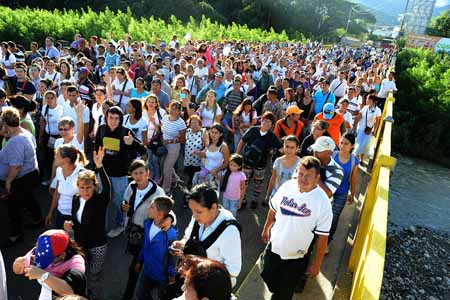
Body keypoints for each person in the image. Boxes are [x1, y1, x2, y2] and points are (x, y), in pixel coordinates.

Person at [260, 156, 332, 300]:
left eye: (308, 176)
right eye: (300, 174)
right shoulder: (287, 186)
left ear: (317, 178)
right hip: (275, 247)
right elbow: (273, 209)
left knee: (284, 294)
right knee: (267, 275)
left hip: (296, 257)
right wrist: (266, 228)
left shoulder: (323, 203)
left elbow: (323, 237)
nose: (303, 179)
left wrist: (317, 264)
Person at [120, 160, 174, 300]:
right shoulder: (131, 187)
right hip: (134, 232)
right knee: (135, 265)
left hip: (149, 234)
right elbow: (125, 203)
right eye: (135, 173)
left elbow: (169, 211)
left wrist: (170, 219)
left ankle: (133, 295)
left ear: (148, 173)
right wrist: (123, 207)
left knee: (140, 268)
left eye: (141, 173)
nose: (138, 176)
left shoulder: (157, 191)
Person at [172, 183, 242, 287]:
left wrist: (198, 262)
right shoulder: (198, 216)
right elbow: (188, 235)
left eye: (198, 212)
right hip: (192, 279)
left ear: (213, 207)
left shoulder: (229, 231)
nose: (194, 216)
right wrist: (182, 243)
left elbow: (233, 271)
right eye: (192, 211)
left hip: (211, 287)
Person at [63, 146, 110, 300]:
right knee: (81, 272)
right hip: (81, 244)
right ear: (78, 187)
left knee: (95, 275)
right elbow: (74, 218)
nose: (85, 191)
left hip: (97, 245)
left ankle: (94, 296)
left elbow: (108, 188)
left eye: (89, 187)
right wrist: (70, 226)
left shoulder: (99, 201)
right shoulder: (76, 199)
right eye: (82, 187)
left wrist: (99, 167)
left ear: (94, 187)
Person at [95, 106, 147, 238]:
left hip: (120, 175)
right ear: (106, 118)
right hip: (103, 173)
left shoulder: (126, 132)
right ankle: (101, 227)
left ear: (121, 119)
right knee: (102, 201)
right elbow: (97, 148)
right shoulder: (101, 129)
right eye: (110, 118)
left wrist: (132, 143)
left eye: (116, 118)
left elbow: (143, 150)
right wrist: (96, 169)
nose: (113, 121)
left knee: (120, 203)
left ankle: (120, 224)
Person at [0, 107, 42, 246]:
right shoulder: (24, 132)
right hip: (31, 174)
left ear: (5, 124)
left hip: (22, 178)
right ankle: (38, 220)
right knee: (28, 198)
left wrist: (8, 182)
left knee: (13, 206)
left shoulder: (15, 141)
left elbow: (16, 166)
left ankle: (15, 235)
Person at [13, 230, 87, 299]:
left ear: (62, 255)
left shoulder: (76, 262)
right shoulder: (41, 251)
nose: (39, 260)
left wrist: (42, 275)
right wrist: (19, 262)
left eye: (47, 259)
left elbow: (69, 292)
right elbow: (17, 270)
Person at [236, 112, 283, 209]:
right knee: (243, 182)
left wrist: (291, 152)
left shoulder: (272, 136)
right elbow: (242, 141)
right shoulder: (253, 130)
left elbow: (281, 149)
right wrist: (237, 154)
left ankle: (255, 200)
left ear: (272, 124)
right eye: (264, 120)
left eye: (269, 122)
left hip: (261, 164)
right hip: (247, 161)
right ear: (261, 120)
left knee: (258, 183)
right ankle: (242, 200)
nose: (266, 123)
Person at [134, 196, 177, 300]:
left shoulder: (170, 234)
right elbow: (145, 245)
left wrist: (171, 276)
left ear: (160, 213)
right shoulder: (147, 224)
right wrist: (139, 260)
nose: (148, 208)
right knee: (140, 295)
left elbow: (172, 257)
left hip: (162, 276)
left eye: (152, 207)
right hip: (147, 271)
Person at [46, 145, 88, 229]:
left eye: (57, 155)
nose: (55, 157)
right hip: (60, 214)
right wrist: (50, 213)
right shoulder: (59, 170)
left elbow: (87, 199)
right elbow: (57, 193)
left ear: (66, 160)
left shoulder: (82, 174)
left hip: (75, 216)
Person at [329, 133, 359, 242]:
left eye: (346, 144)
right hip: (328, 190)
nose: (342, 145)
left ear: (352, 146)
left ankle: (328, 241)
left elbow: (353, 179)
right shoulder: (332, 155)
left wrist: (352, 194)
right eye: (341, 142)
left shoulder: (354, 161)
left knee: (334, 216)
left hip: (342, 192)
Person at [265, 135, 301, 205]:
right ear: (283, 147)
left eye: (292, 147)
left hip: (292, 198)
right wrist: (268, 194)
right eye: (287, 146)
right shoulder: (278, 161)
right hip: (277, 194)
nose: (289, 150)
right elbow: (273, 179)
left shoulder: (301, 163)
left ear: (297, 148)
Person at [160, 101, 186, 195]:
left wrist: (171, 141)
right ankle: (176, 180)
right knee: (167, 165)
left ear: (179, 111)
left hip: (174, 147)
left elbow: (183, 139)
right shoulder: (165, 118)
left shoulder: (181, 123)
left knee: (166, 168)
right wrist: (163, 140)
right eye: (171, 108)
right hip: (163, 145)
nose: (172, 110)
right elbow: (162, 129)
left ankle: (166, 190)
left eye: (175, 109)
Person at [38, 90, 64, 184]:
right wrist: (40, 136)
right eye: (47, 98)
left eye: (51, 98)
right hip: (47, 136)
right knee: (48, 158)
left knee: (57, 158)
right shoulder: (45, 108)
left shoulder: (61, 108)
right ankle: (50, 179)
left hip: (58, 137)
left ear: (56, 98)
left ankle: (59, 179)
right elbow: (43, 122)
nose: (49, 100)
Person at [144, 94, 167, 184]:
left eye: (153, 102)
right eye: (149, 101)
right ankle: (151, 175)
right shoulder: (143, 112)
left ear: (156, 104)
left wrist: (153, 123)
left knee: (155, 159)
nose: (150, 103)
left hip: (157, 141)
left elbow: (163, 129)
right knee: (149, 160)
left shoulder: (161, 113)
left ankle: (158, 176)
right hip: (147, 140)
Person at [353, 94, 382, 161]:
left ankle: (361, 159)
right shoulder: (365, 107)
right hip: (360, 128)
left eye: (368, 99)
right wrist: (355, 124)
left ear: (373, 101)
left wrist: (375, 130)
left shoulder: (378, 110)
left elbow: (377, 122)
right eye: (366, 99)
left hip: (369, 131)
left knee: (364, 145)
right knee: (358, 144)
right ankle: (355, 158)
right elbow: (359, 116)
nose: (367, 100)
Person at [184, 115, 209, 189]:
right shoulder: (188, 131)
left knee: (196, 175)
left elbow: (207, 146)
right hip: (188, 158)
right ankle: (190, 185)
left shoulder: (203, 132)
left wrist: (200, 152)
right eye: (192, 123)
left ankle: (195, 188)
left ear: (200, 124)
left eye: (196, 123)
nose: (193, 125)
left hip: (198, 159)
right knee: (189, 173)